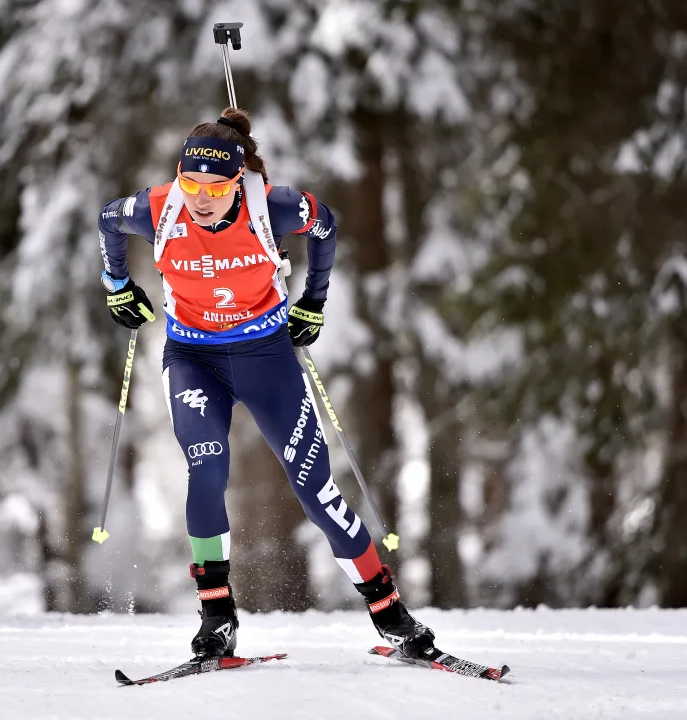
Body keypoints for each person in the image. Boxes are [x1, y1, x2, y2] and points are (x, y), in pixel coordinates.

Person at [96, 107, 435, 660]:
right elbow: (108, 219)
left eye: (215, 185)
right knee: (207, 467)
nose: (201, 197)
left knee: (316, 491)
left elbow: (325, 225)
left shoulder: (271, 206)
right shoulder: (157, 208)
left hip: (266, 356)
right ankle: (217, 619)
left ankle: (391, 615)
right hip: (193, 358)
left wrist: (314, 301)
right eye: (190, 183)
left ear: (239, 181)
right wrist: (116, 283)